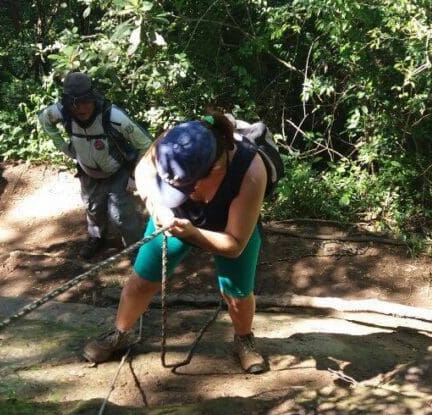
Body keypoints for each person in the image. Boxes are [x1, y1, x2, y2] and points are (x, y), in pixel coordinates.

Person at [83, 112, 269, 374]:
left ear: (215, 168)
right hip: (175, 218)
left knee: (236, 293)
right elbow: (143, 171)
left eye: (186, 186)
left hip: (230, 225)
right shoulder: (173, 143)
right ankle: (120, 332)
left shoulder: (250, 171)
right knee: (142, 281)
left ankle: (244, 339)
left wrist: (191, 234)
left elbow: (235, 244)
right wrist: (157, 206)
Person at [39, 72, 152, 259]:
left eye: (85, 102)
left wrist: (134, 175)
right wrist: (64, 148)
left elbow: (145, 143)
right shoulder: (61, 112)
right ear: (68, 103)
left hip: (118, 171)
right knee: (92, 207)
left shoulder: (113, 116)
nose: (81, 108)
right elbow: (44, 120)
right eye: (75, 104)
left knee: (121, 215)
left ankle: (136, 251)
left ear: (93, 98)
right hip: (87, 171)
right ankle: (96, 239)